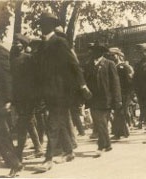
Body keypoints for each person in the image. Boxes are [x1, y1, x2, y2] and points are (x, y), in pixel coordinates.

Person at [35, 12, 91, 172]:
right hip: (48, 92)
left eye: (45, 23)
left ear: (51, 25)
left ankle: (48, 159)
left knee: (52, 123)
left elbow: (74, 65)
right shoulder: (42, 45)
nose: (41, 26)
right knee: (59, 122)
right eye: (41, 23)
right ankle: (69, 151)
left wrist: (82, 85)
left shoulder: (59, 42)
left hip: (61, 91)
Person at [9, 35, 43, 162]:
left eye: (17, 43)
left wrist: (36, 96)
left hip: (29, 97)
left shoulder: (29, 58)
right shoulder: (13, 60)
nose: (15, 45)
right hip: (18, 97)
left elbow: (36, 78)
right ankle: (38, 148)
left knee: (25, 122)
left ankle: (20, 152)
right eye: (14, 43)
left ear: (22, 45)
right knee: (28, 122)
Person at [84, 43, 122, 157]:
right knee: (99, 123)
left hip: (106, 99)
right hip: (93, 99)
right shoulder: (89, 65)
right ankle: (107, 145)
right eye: (92, 51)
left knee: (101, 122)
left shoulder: (109, 64)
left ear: (101, 52)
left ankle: (102, 146)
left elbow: (115, 83)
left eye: (95, 51)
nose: (93, 53)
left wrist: (117, 99)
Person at [0, 40, 24, 177]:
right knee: (0, 135)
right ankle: (15, 163)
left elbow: (7, 77)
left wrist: (8, 100)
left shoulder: (0, 52)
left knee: (1, 134)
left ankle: (15, 164)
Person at [108, 47, 133, 139]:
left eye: (113, 55)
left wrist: (130, 94)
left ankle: (120, 133)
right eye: (110, 56)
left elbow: (130, 81)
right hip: (116, 94)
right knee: (118, 112)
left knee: (121, 112)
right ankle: (122, 132)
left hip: (125, 93)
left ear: (118, 55)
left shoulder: (124, 67)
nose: (111, 57)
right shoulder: (112, 66)